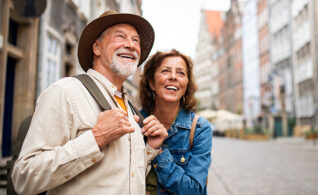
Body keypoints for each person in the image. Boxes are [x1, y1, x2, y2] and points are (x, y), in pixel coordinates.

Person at [12, 10, 168, 194]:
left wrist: (150, 148)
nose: (131, 45)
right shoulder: (65, 92)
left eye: (136, 40)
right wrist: (96, 138)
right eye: (120, 36)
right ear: (97, 48)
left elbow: (123, 178)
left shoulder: (131, 109)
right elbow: (24, 177)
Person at [139, 49, 213, 194]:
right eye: (165, 71)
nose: (173, 77)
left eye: (181, 73)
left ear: (186, 86)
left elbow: (195, 191)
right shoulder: (135, 122)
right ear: (151, 83)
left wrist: (159, 152)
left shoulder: (199, 128)